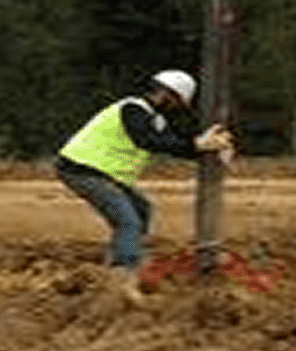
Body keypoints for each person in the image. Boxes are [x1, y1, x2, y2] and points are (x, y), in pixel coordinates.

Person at [55, 70, 233, 305]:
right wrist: (199, 144)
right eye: (178, 102)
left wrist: (208, 148)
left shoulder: (152, 117)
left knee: (142, 209)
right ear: (169, 95)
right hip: (82, 169)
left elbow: (172, 144)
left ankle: (124, 260)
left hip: (104, 172)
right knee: (128, 221)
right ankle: (122, 279)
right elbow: (147, 140)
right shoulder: (133, 109)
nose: (177, 107)